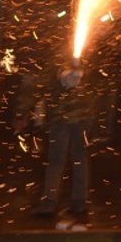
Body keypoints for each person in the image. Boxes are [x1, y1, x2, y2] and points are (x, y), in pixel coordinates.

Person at [30, 60, 97, 224]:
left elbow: (80, 90)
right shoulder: (66, 77)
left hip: (70, 123)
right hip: (68, 123)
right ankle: (73, 202)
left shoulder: (79, 82)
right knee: (72, 161)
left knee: (63, 162)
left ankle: (56, 203)